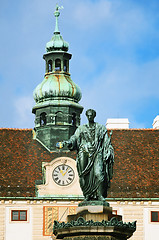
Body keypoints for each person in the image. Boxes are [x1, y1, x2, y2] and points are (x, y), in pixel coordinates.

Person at [59, 109, 114, 201]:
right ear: (86, 116)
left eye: (91, 115)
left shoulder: (101, 128)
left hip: (97, 153)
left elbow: (107, 142)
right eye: (88, 115)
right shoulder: (81, 129)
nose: (89, 117)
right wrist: (68, 142)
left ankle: (100, 195)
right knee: (84, 175)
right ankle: (87, 194)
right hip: (84, 153)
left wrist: (108, 151)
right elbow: (74, 138)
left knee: (99, 174)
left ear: (94, 116)